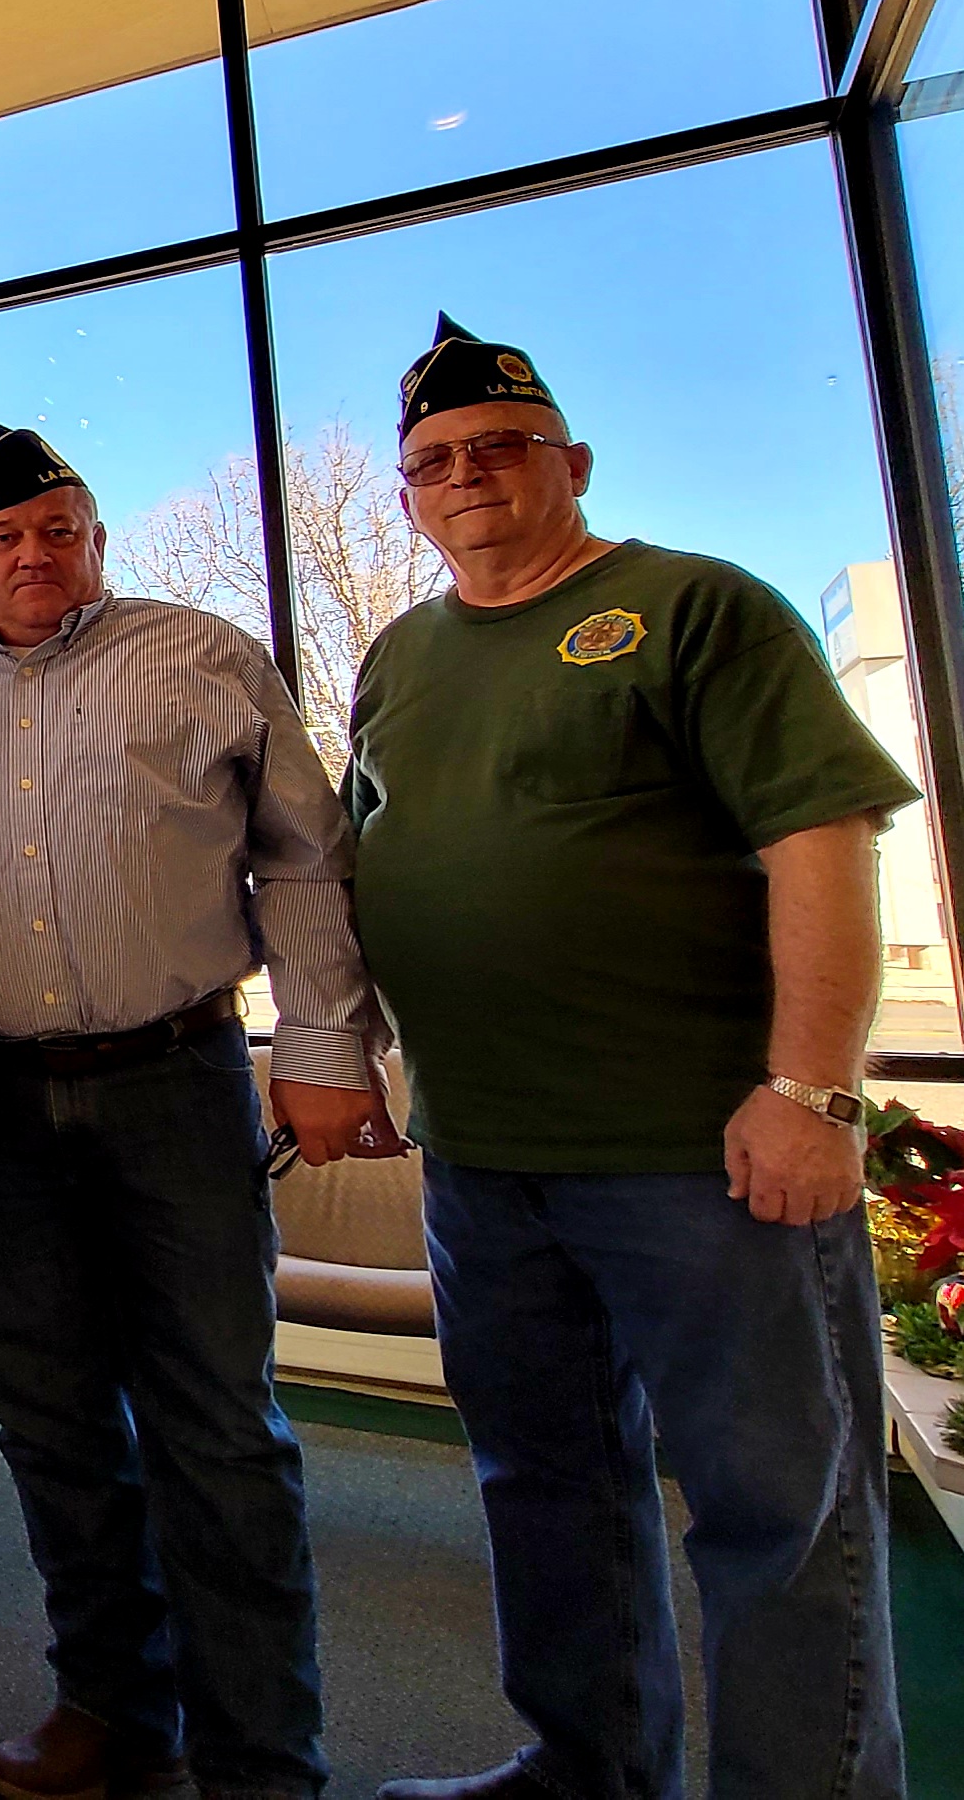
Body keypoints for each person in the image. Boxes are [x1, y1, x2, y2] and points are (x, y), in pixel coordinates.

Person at [348, 317, 913, 1800]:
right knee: (546, 1489)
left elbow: (821, 836)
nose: (465, 475)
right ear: (405, 497)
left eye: (499, 446)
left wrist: (810, 1091)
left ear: (574, 462)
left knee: (776, 1513)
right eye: (433, 461)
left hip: (700, 1156)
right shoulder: (398, 656)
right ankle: (586, 1767)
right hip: (481, 1162)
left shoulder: (695, 607)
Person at [0, 417, 400, 1800]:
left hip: (176, 1083)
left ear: (95, 537)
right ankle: (112, 1707)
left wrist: (323, 1042)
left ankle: (260, 1757)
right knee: (50, 1420)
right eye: (2, 536)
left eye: (56, 530)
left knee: (220, 1428)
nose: (32, 552)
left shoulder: (204, 656)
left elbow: (303, 859)